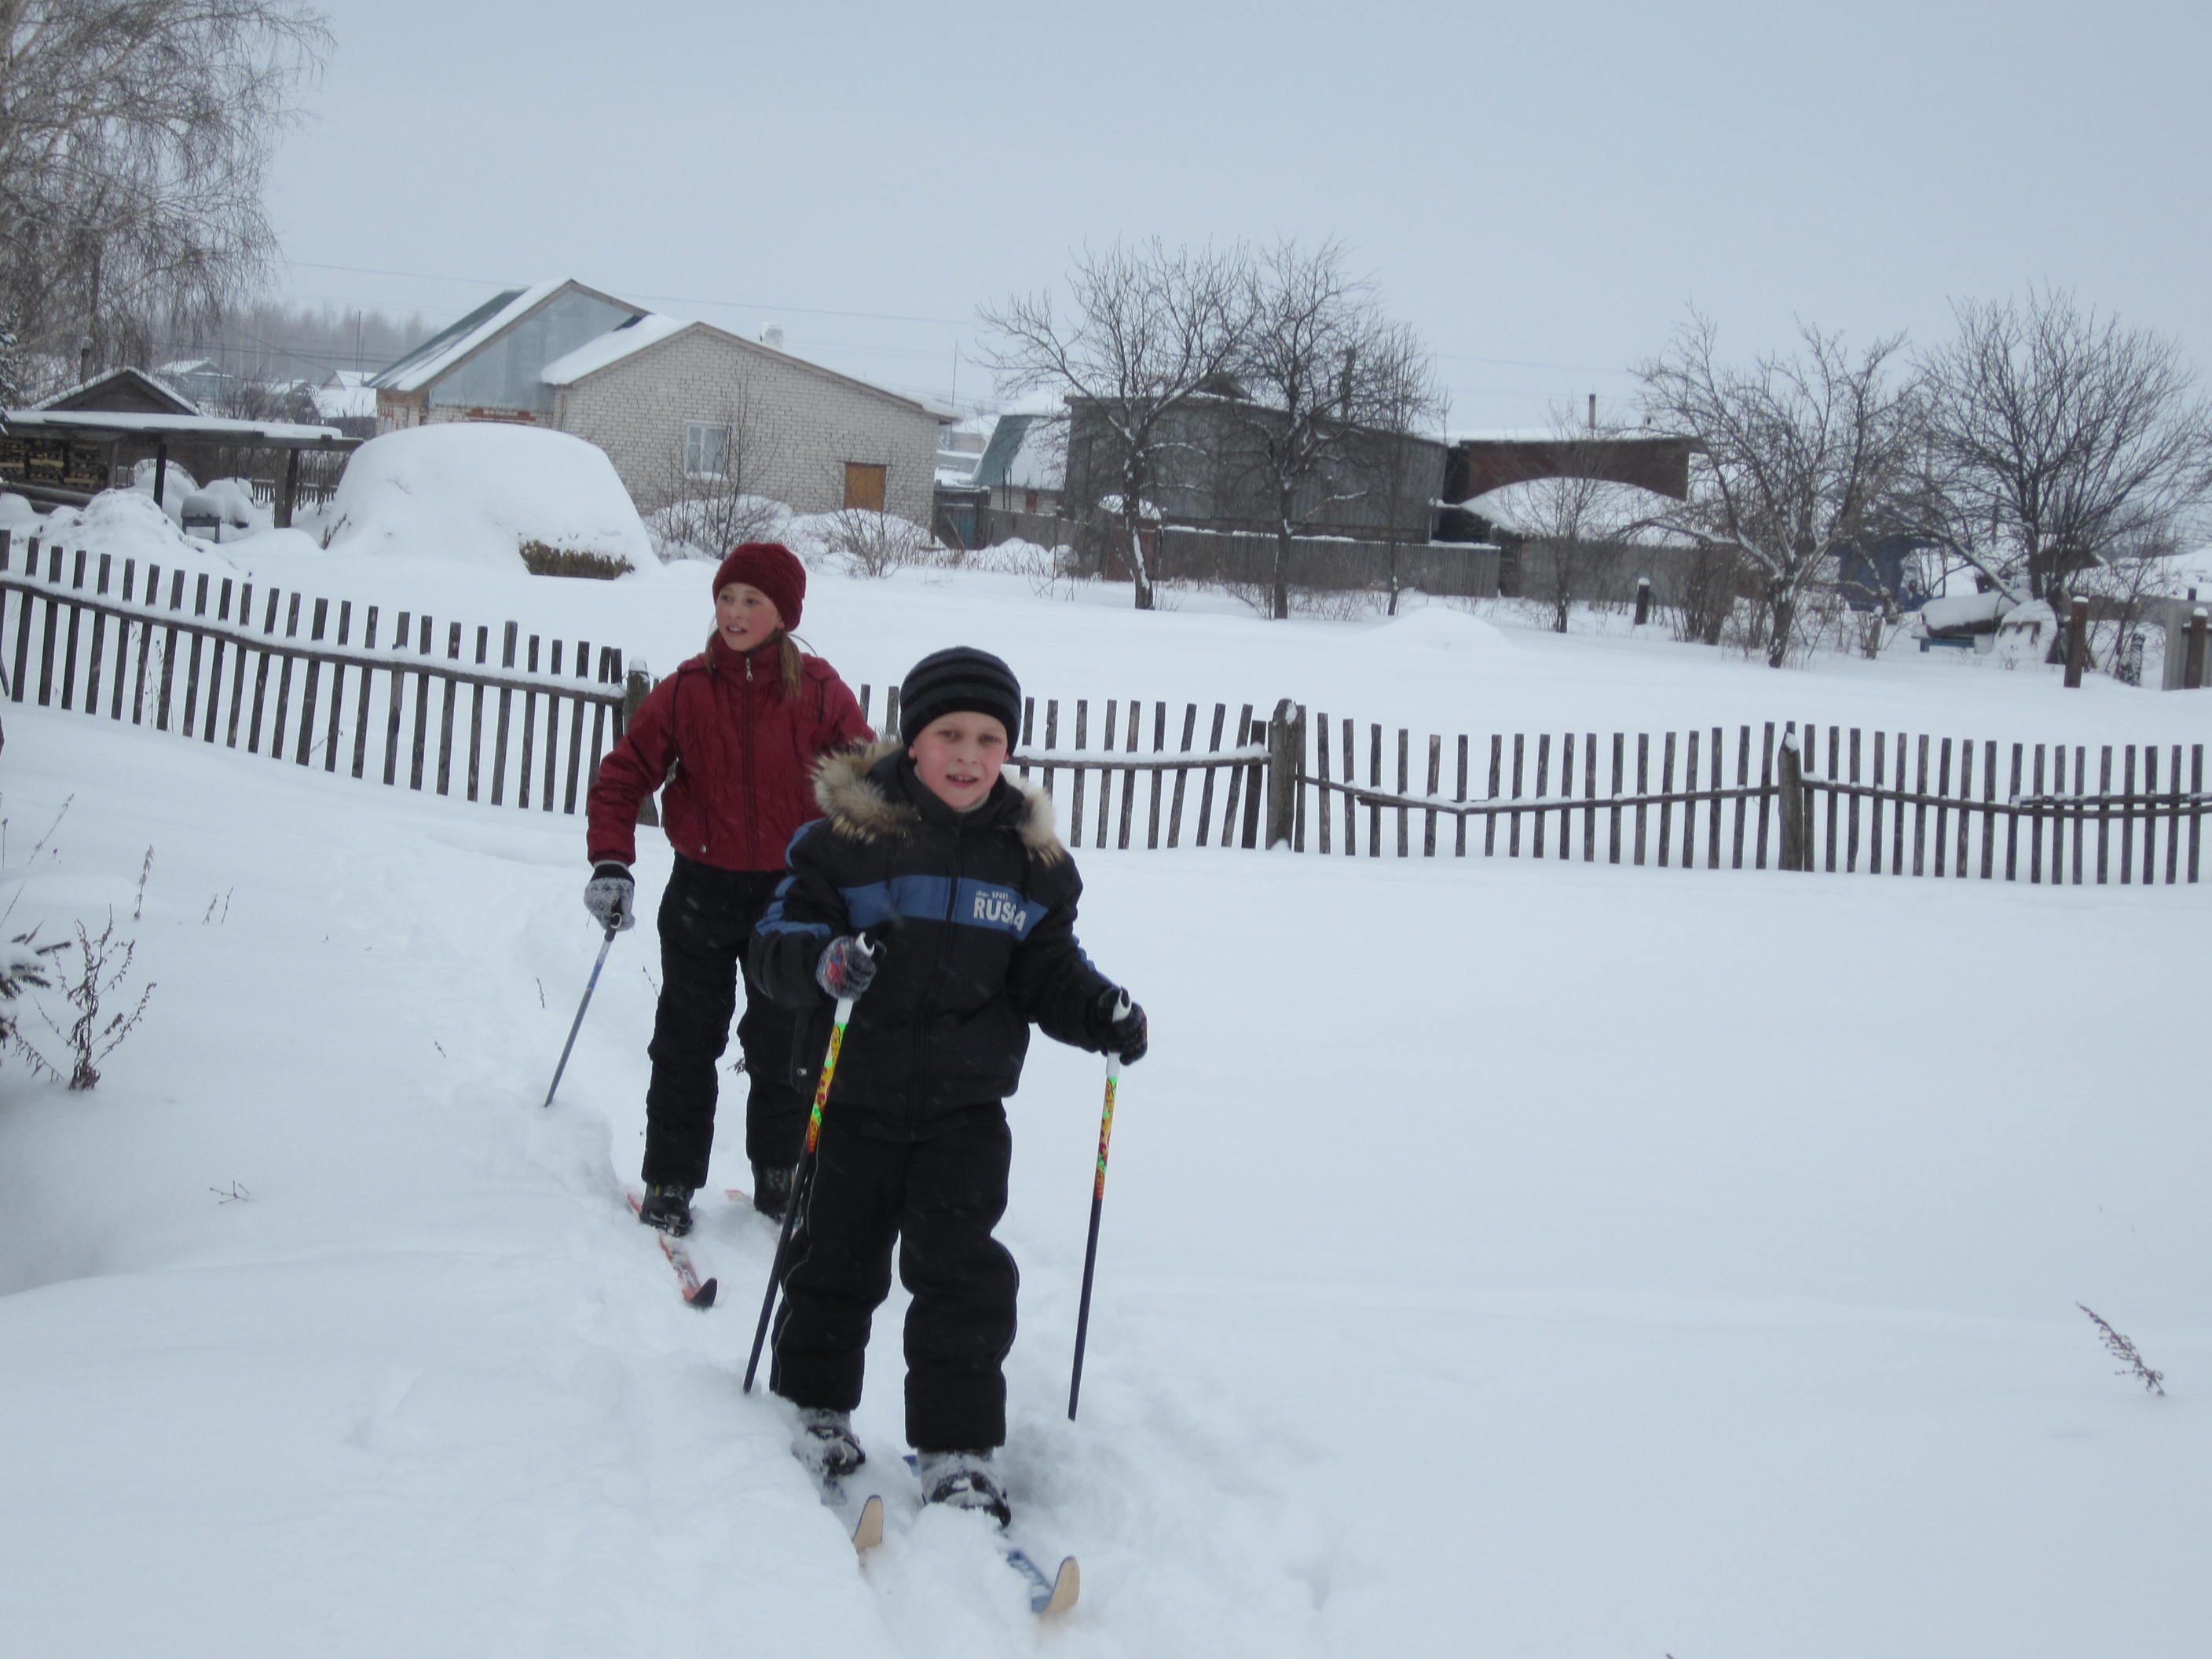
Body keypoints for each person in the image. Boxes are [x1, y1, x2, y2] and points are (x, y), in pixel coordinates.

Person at [748, 646, 1148, 1527]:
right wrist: (823, 962)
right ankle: (816, 1408)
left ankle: (957, 1447)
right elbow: (776, 937)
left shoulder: (1030, 864)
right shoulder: (846, 844)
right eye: (949, 735)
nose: (969, 756)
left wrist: (1100, 1011)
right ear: (913, 740)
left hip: (967, 1110)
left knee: (963, 1276)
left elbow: (1046, 972)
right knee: (835, 1261)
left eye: (989, 738)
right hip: (851, 1099)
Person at [583, 542, 873, 1237]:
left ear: (784, 614)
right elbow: (623, 777)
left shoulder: (822, 693)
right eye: (726, 598)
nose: (735, 613)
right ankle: (671, 1179)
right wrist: (611, 863)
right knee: (686, 1039)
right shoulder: (686, 690)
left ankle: (780, 1173)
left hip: (790, 900)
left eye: (753, 601)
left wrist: (861, 885)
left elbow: (867, 792)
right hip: (700, 892)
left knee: (782, 1043)